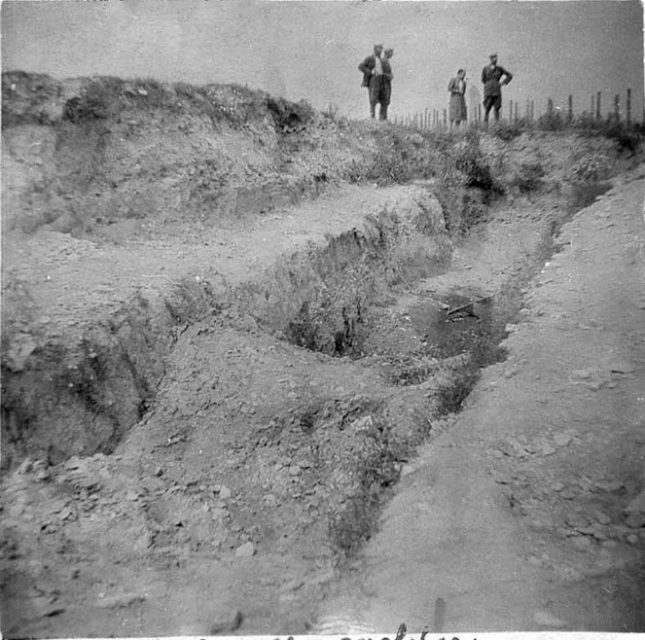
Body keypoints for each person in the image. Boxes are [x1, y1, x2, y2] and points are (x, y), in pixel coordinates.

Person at [481, 53, 513, 125]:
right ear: (490, 59)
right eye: (493, 58)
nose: (495, 60)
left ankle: (497, 127)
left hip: (497, 91)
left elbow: (509, 75)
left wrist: (503, 83)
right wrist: (488, 85)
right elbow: (483, 80)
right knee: (487, 109)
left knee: (497, 109)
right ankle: (485, 127)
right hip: (488, 91)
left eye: (496, 58)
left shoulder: (499, 69)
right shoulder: (485, 69)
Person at [358, 44, 388, 120]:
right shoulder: (370, 58)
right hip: (374, 79)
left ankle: (382, 118)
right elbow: (361, 66)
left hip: (382, 79)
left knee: (383, 99)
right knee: (373, 99)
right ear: (374, 49)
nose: (380, 50)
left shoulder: (381, 60)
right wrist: (369, 72)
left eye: (381, 48)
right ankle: (372, 117)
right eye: (378, 48)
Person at [380, 48, 394, 121]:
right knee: (384, 102)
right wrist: (389, 76)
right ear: (388, 53)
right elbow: (380, 73)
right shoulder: (384, 61)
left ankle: (384, 118)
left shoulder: (385, 61)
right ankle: (383, 119)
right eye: (391, 53)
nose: (392, 55)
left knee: (385, 102)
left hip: (386, 83)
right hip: (384, 84)